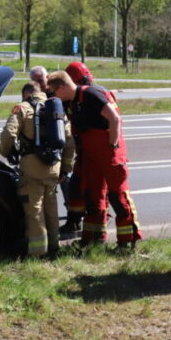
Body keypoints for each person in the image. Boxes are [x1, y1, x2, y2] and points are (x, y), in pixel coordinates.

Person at [47, 70, 142, 249]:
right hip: (91, 154)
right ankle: (93, 239)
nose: (54, 96)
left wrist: (112, 145)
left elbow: (115, 119)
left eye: (54, 91)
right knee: (92, 197)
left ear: (63, 87)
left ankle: (128, 242)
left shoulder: (91, 94)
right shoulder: (70, 102)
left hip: (109, 152)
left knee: (117, 196)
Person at [0, 82, 75, 258]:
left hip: (31, 167)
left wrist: (6, 152)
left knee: (34, 210)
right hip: (54, 167)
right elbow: (69, 142)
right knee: (51, 208)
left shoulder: (22, 108)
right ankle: (54, 247)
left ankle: (38, 252)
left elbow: (8, 134)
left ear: (26, 94)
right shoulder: (56, 109)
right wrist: (65, 169)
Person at [59, 61, 97, 236]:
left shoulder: (93, 97)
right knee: (75, 186)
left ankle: (96, 229)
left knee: (94, 191)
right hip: (81, 150)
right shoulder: (70, 100)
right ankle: (74, 222)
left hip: (96, 152)